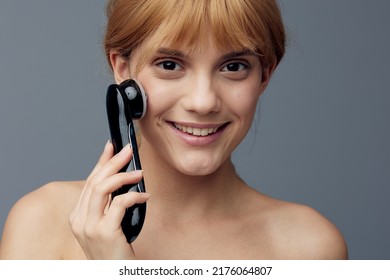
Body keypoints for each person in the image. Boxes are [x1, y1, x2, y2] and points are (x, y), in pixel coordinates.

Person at [0, 0, 347, 260]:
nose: (203, 101)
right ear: (123, 70)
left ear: (264, 76)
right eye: (170, 65)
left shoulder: (309, 247)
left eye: (234, 66)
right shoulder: (43, 225)